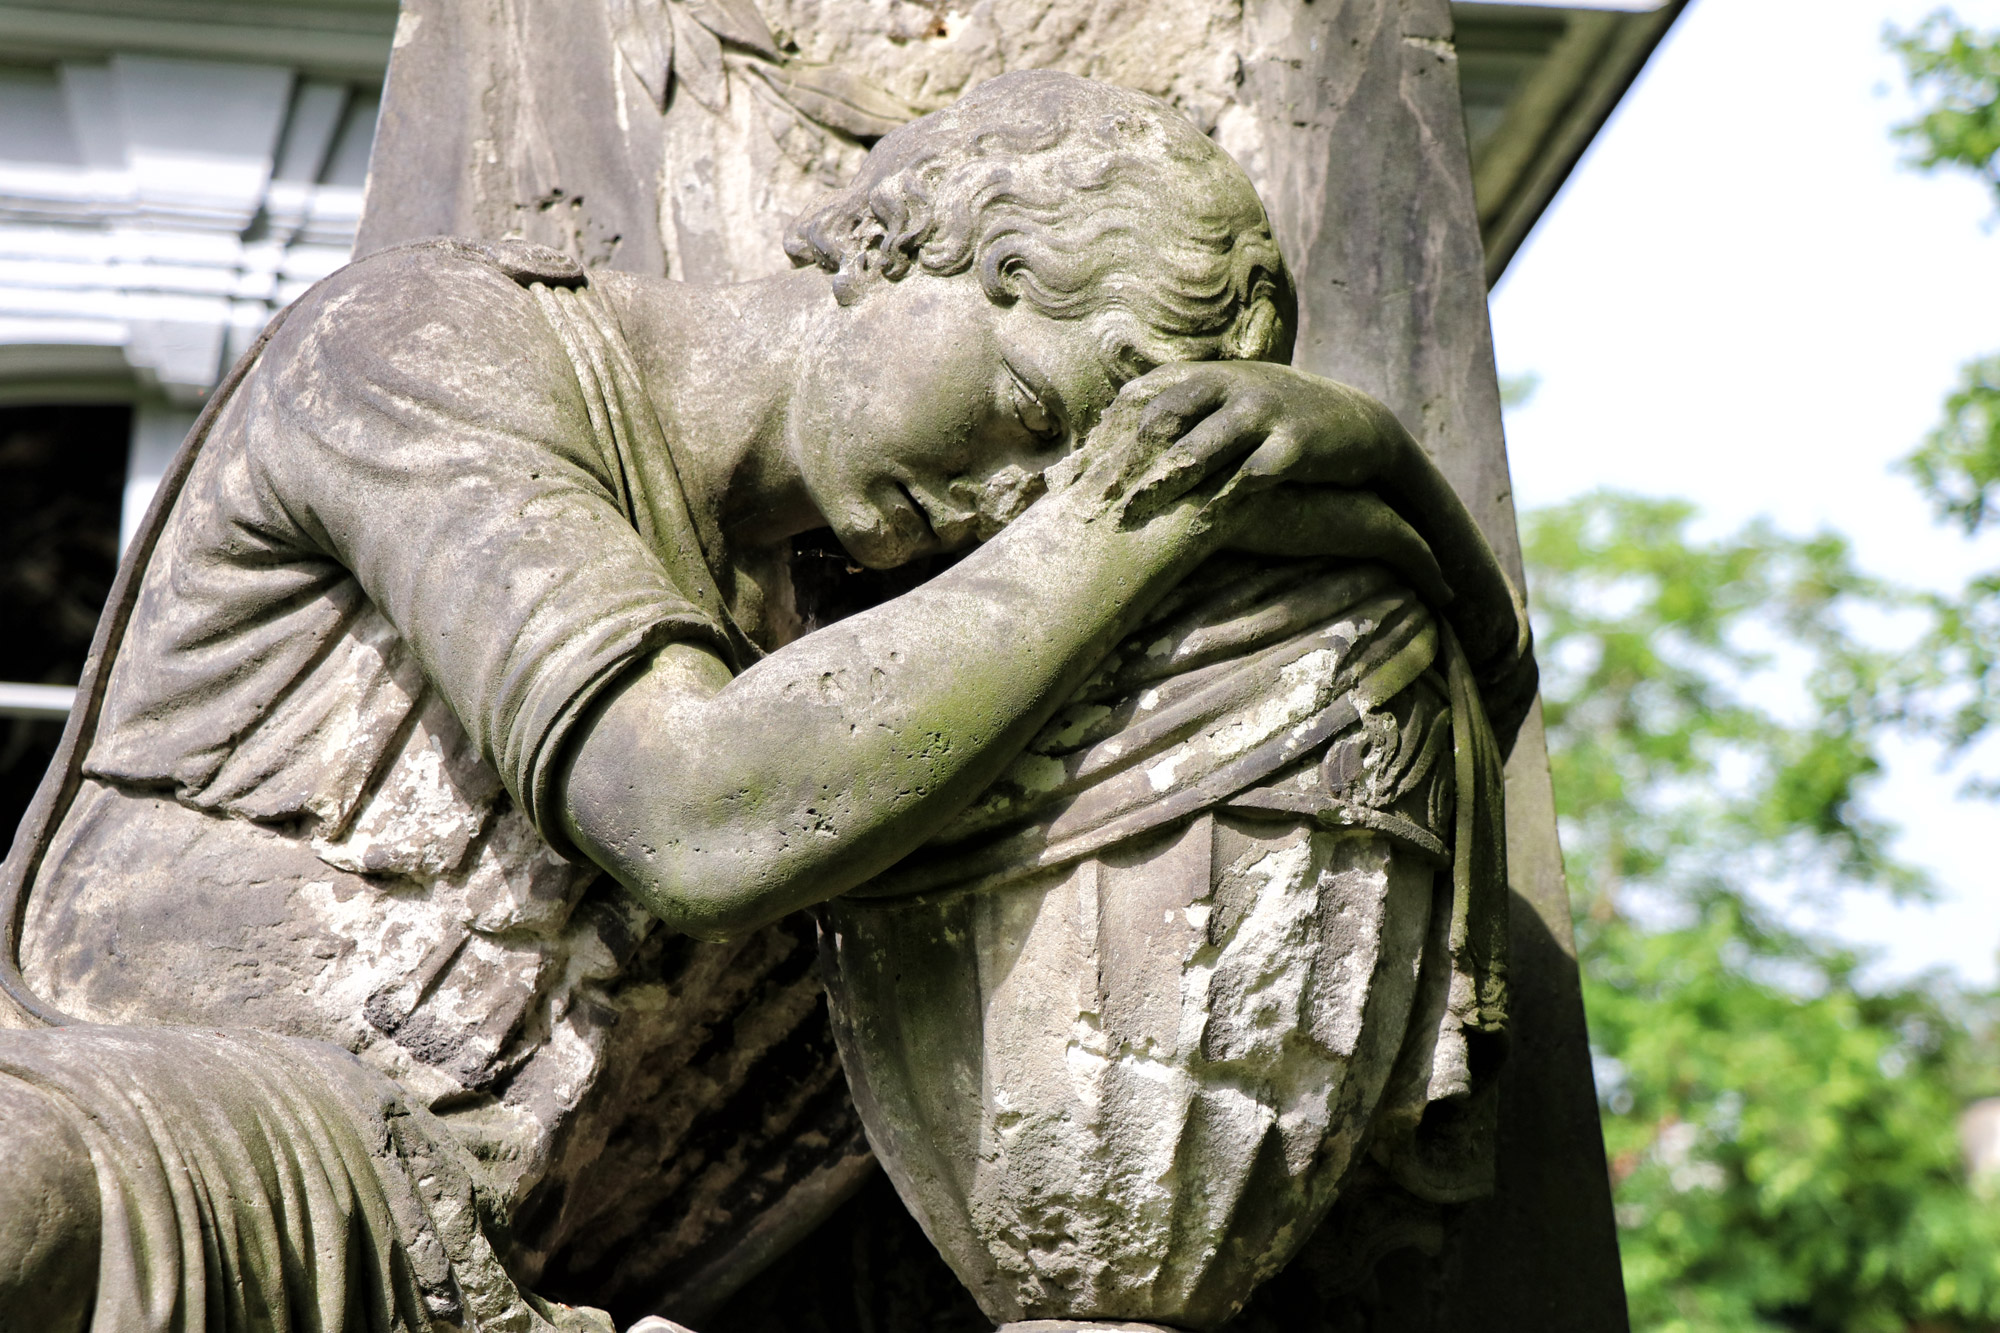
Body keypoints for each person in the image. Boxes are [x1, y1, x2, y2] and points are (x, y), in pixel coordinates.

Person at [0, 70, 1528, 1332]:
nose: (1010, 503)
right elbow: (692, 810)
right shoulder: (424, 345)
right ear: (917, 250)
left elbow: (1476, 685)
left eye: (1052, 480)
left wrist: (1376, 460)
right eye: (1024, 416)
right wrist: (1143, 508)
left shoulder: (865, 654)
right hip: (170, 1131)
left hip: (449, 1262)